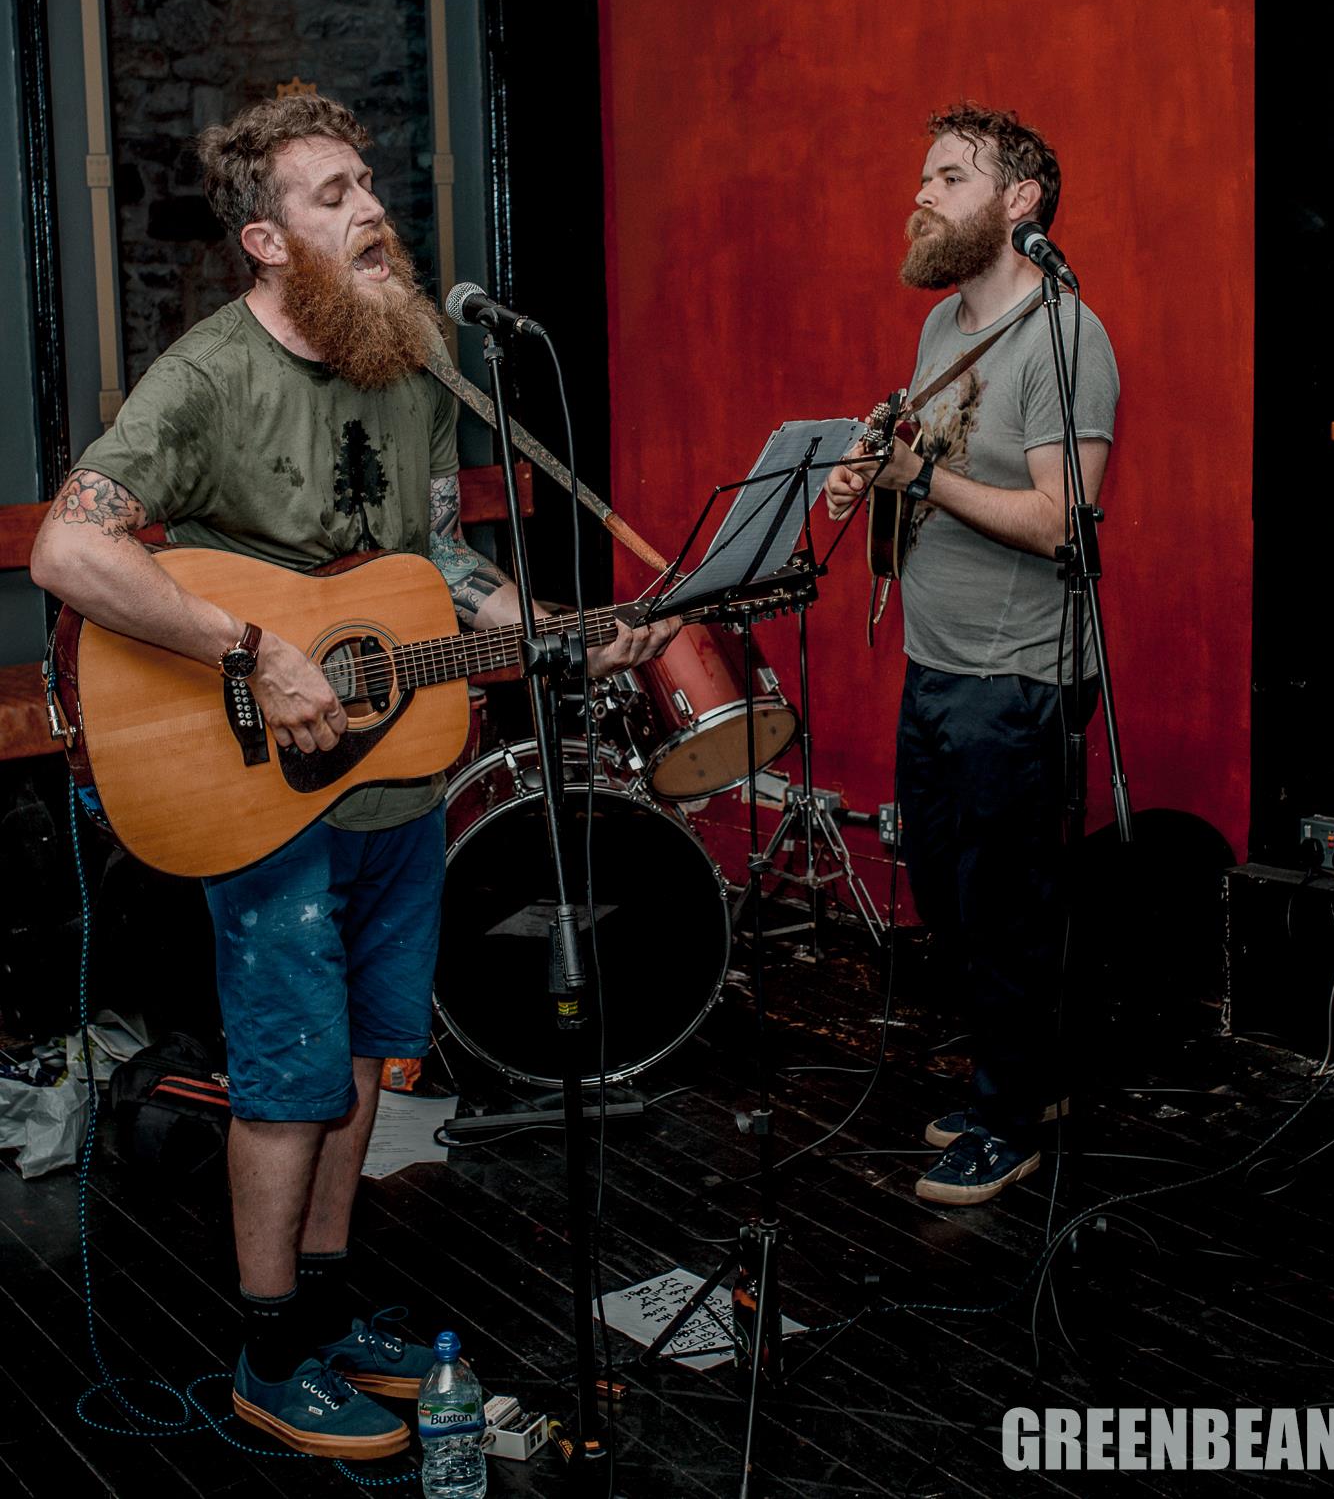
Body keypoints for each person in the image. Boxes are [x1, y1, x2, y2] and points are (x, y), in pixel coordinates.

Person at [30, 94, 679, 1459]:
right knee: (287, 1074)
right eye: (332, 195)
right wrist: (250, 647)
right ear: (267, 238)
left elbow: (441, 568)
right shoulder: (206, 380)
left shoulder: (411, 356)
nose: (372, 207)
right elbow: (69, 550)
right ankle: (269, 1354)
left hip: (395, 788)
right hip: (256, 795)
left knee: (373, 1059)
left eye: (367, 181)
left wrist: (554, 631)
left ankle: (323, 1307)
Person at [825, 102, 1119, 1206]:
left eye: (947, 177)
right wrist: (873, 470)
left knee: (1002, 900)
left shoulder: (1063, 335)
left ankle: (1008, 1120)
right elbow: (931, 465)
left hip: (1020, 669)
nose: (921, 194)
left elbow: (1060, 524)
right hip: (939, 658)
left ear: (1019, 201)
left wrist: (920, 481)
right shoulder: (944, 326)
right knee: (947, 892)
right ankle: (1021, 1077)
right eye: (924, 175)